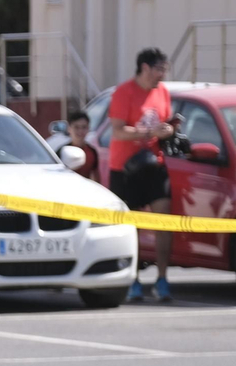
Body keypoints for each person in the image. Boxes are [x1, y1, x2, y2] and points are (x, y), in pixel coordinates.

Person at [108, 47, 175, 303]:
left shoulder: (163, 92)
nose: (162, 75)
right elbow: (118, 131)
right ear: (145, 68)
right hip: (125, 168)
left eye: (165, 70)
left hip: (154, 164)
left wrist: (168, 131)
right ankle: (133, 279)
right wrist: (148, 132)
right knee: (130, 226)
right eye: (159, 69)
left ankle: (162, 279)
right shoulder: (123, 92)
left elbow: (165, 123)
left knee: (164, 220)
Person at [65, 110, 100, 180]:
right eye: (76, 127)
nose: (80, 131)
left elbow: (96, 178)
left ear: (88, 129)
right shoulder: (62, 152)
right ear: (69, 129)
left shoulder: (92, 152)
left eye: (84, 127)